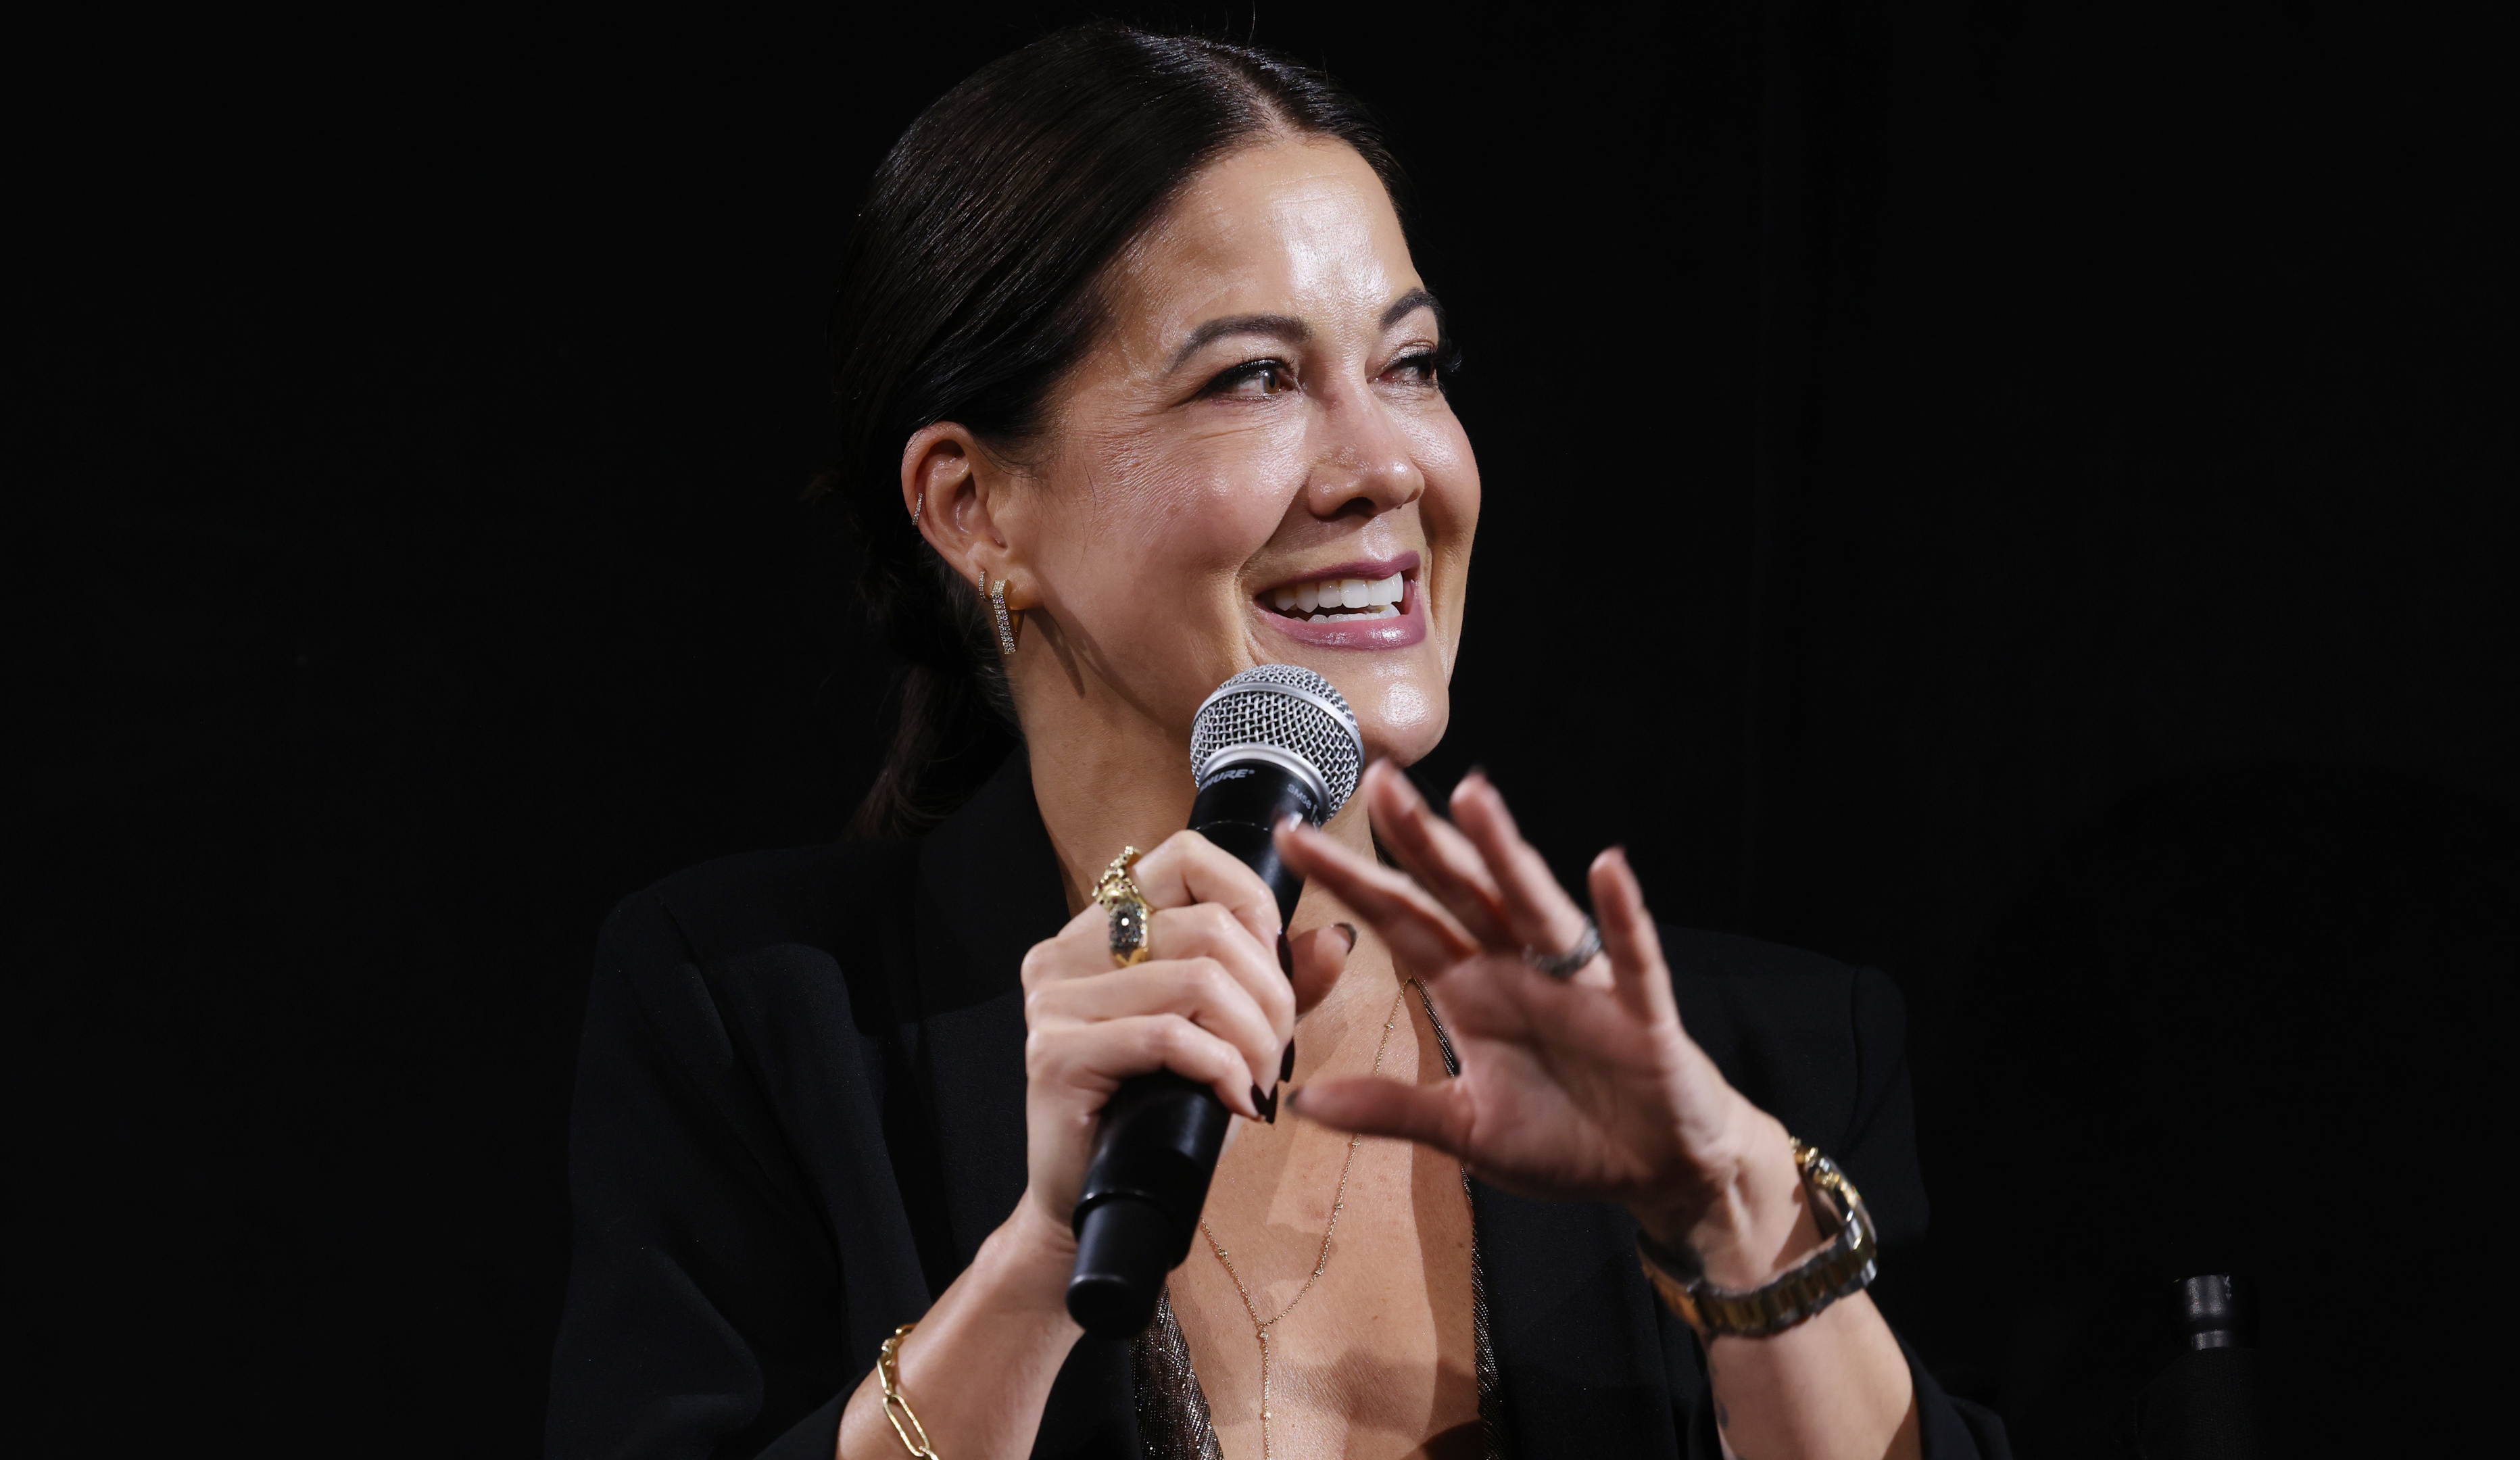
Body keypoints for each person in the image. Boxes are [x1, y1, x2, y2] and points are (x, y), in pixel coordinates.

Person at [546, 24, 2006, 1460]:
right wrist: (1037, 1260)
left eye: (1414, 364)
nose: (1386, 467)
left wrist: (1736, 1215)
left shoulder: (1768, 1062)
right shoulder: (759, 1023)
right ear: (974, 507)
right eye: (1254, 378)